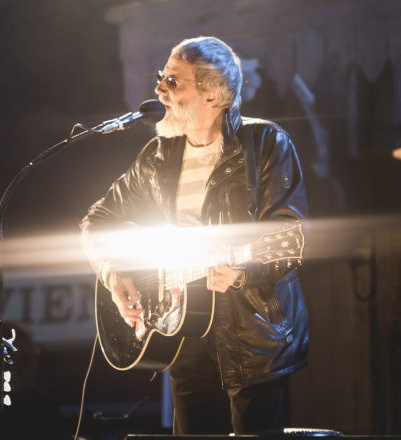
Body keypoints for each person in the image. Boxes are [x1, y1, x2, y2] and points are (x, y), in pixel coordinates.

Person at [80, 36, 309, 435]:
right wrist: (112, 270)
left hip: (253, 338)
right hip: (182, 333)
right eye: (161, 76)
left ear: (213, 93)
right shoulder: (157, 156)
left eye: (173, 81)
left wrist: (242, 270)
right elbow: (98, 219)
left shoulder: (265, 143)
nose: (158, 89)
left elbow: (287, 233)